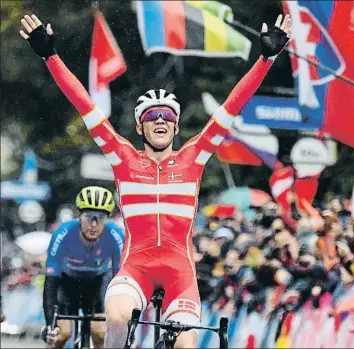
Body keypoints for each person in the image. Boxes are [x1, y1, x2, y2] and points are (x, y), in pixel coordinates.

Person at [20, 12, 291, 348]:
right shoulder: (123, 157)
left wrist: (266, 59)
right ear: (140, 127)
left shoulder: (195, 155)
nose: (160, 120)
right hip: (136, 268)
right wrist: (51, 56)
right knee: (117, 318)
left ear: (176, 127)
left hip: (180, 274)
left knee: (184, 345)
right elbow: (84, 104)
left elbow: (232, 106)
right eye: (151, 116)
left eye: (167, 117)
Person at [40, 186, 124, 349]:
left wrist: (120, 322)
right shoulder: (63, 233)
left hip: (97, 284)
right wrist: (50, 323)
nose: (93, 224)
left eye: (100, 218)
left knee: (100, 333)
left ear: (108, 218)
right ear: (78, 215)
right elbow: (51, 281)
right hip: (67, 284)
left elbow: (120, 278)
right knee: (61, 334)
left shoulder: (115, 235)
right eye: (88, 217)